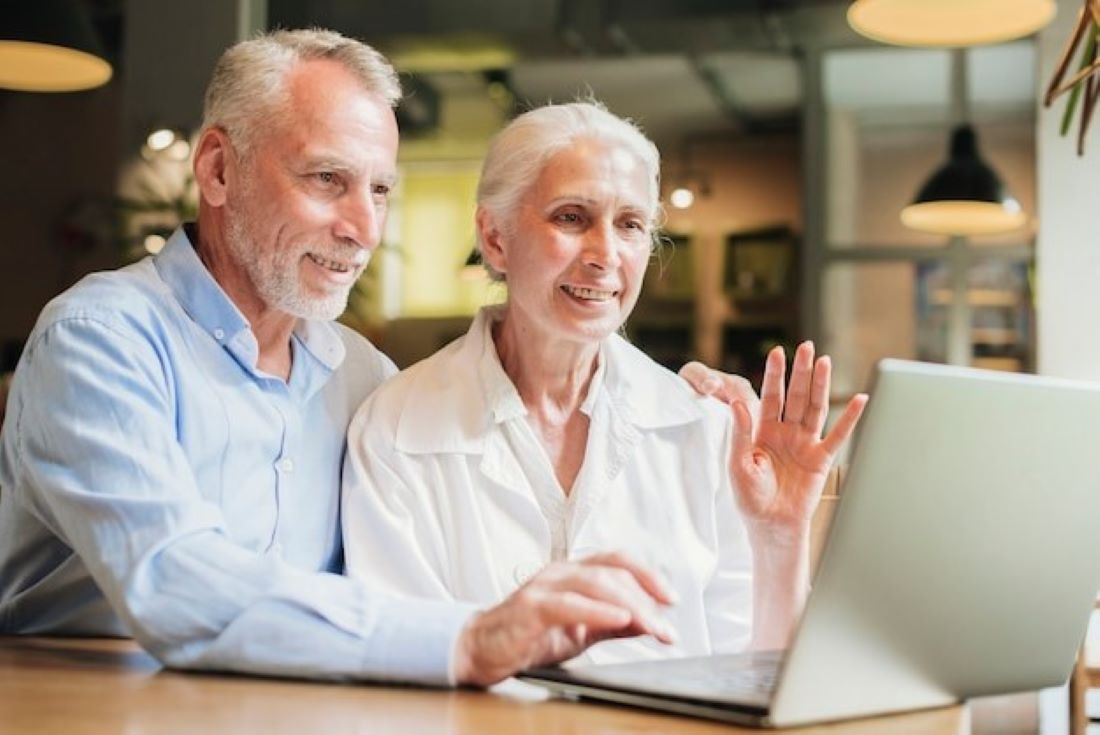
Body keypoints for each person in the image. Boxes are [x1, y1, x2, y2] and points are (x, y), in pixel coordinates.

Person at [0, 31, 743, 687]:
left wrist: (674, 407)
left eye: (380, 190)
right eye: (328, 179)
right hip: (89, 699)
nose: (362, 228)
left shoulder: (363, 379)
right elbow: (170, 580)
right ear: (219, 170)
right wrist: (472, 637)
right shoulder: (99, 339)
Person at [342, 102, 867, 665]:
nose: (606, 256)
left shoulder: (706, 427)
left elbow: (759, 676)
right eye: (571, 217)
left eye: (630, 225)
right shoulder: (395, 427)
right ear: (495, 238)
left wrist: (780, 536)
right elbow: (401, 664)